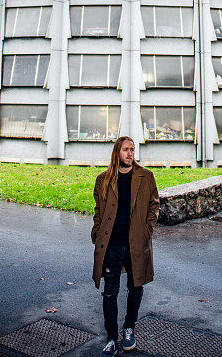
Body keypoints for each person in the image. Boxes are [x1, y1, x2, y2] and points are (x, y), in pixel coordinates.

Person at [91, 136, 160, 356]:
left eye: (132, 149)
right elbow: (98, 211)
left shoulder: (146, 177)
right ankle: (111, 338)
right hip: (111, 245)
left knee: (136, 287)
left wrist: (147, 231)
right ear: (116, 153)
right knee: (110, 292)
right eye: (125, 150)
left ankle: (129, 328)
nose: (130, 154)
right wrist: (96, 232)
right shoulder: (103, 179)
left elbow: (154, 205)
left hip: (136, 244)